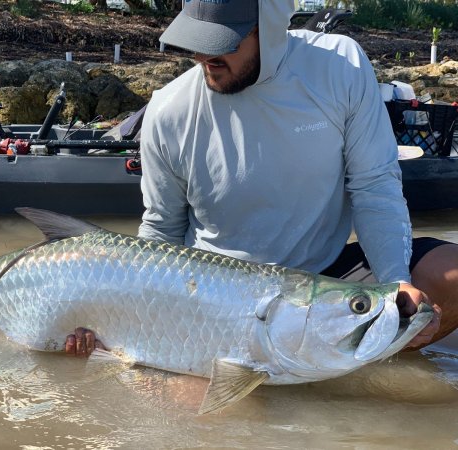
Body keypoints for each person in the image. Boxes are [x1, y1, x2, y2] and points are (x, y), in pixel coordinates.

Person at [66, 0, 458, 356]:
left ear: (269, 29)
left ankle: (350, 366)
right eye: (196, 40)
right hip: (212, 291)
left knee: (448, 278)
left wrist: (395, 282)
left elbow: (375, 187)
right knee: (193, 408)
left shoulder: (340, 68)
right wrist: (120, 321)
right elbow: (161, 231)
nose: (204, 56)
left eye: (223, 42)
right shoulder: (169, 112)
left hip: (321, 272)